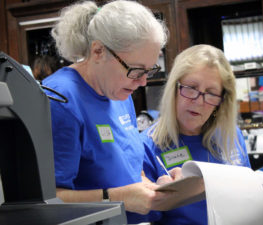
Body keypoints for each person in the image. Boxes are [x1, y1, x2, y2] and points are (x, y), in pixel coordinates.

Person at [42, 1, 180, 224]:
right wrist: (116, 198)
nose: (143, 81)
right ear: (98, 51)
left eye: (149, 70)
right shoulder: (60, 100)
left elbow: (127, 169)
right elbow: (46, 201)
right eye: (136, 70)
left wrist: (151, 186)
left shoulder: (119, 93)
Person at [141, 44, 251, 225]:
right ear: (174, 88)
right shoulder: (148, 145)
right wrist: (156, 199)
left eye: (211, 93)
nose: (198, 102)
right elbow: (142, 215)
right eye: (191, 88)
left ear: (221, 102)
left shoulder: (231, 136)